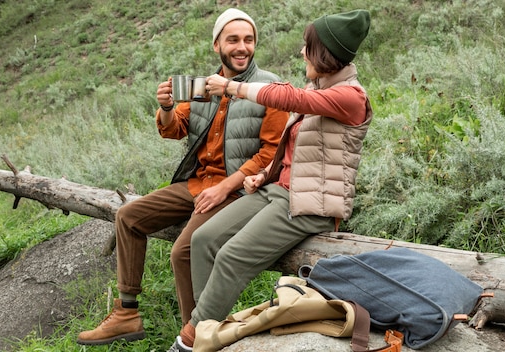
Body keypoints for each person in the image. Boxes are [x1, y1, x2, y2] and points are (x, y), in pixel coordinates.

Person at [76, 8, 289, 346]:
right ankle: (127, 314)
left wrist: (224, 188)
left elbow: (270, 155)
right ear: (216, 45)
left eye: (249, 40)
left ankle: (198, 335)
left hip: (237, 191)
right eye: (233, 39)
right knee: (128, 216)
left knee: (183, 251)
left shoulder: (270, 87)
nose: (242, 47)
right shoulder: (203, 87)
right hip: (196, 183)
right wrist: (165, 108)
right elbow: (177, 129)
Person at [167, 9, 372, 352]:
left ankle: (191, 341)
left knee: (232, 256)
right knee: (203, 240)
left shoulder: (350, 96)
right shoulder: (319, 87)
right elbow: (292, 148)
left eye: (308, 47)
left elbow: (291, 98)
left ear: (323, 53)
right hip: (277, 191)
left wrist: (232, 87)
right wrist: (265, 174)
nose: (302, 53)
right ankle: (209, 331)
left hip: (309, 204)